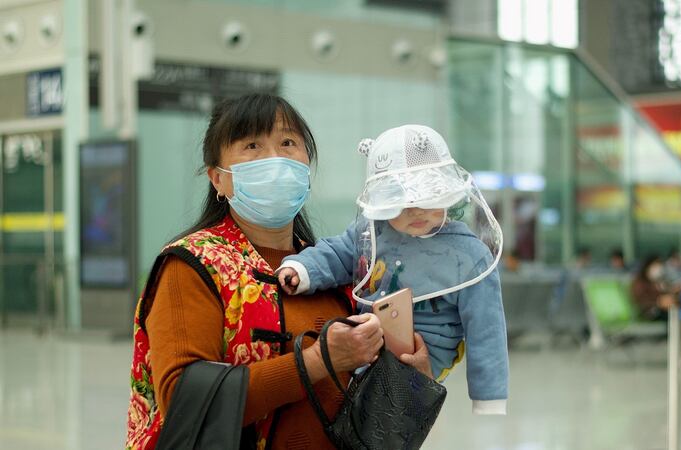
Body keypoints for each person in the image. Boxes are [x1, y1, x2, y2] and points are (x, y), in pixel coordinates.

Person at [125, 94, 432, 450]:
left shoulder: (334, 271)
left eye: (288, 142)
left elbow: (366, 416)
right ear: (218, 179)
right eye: (252, 145)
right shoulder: (193, 265)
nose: (274, 158)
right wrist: (317, 361)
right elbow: (182, 399)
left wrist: (409, 381)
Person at [277, 124, 509, 415]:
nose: (416, 210)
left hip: (423, 357)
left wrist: (489, 398)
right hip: (366, 349)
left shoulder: (468, 254)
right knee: (346, 415)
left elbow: (486, 331)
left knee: (385, 427)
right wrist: (303, 269)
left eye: (428, 196)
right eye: (400, 200)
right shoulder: (372, 232)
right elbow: (337, 252)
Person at [630, 255, 680, 321]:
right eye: (655, 265)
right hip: (647, 315)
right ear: (648, 266)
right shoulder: (639, 282)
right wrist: (658, 302)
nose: (658, 269)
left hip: (661, 312)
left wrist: (673, 292)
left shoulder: (658, 282)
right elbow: (638, 302)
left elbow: (665, 297)